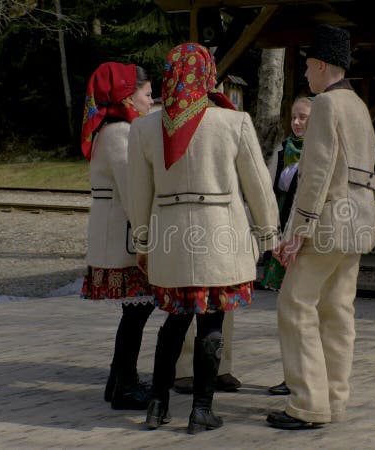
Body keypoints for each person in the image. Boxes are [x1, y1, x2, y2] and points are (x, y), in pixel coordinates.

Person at [127, 43, 279, 434]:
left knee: (173, 322)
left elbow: (137, 194)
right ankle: (201, 411)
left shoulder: (144, 127)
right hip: (220, 239)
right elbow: (259, 187)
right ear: (209, 74)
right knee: (212, 321)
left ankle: (157, 406)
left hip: (170, 241)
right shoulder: (235, 122)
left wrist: (143, 244)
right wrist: (268, 234)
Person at [266, 24, 375, 429]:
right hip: (358, 221)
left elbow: (316, 173)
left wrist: (296, 233)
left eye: (308, 68)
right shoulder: (358, 106)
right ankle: (334, 398)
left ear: (321, 64)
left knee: (294, 305)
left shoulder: (326, 105)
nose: (306, 76)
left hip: (328, 221)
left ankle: (308, 403)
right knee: (337, 311)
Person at [79, 62, 156, 410]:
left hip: (113, 235)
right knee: (136, 312)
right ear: (127, 95)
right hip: (123, 239)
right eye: (146, 94)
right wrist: (148, 240)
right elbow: (134, 193)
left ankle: (118, 379)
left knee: (135, 311)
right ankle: (123, 383)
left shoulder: (106, 131)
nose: (151, 102)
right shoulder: (122, 133)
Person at [262, 96, 313, 397]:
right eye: (294, 116)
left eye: (303, 117)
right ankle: (291, 374)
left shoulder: (318, 153)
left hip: (305, 237)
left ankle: (305, 376)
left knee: (302, 311)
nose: (296, 122)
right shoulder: (283, 151)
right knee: (287, 310)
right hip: (283, 233)